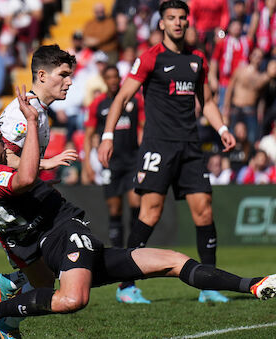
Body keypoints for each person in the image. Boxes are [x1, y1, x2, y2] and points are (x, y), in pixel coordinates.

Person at [0, 96, 276, 339]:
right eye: (0, 140)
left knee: (170, 260)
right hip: (53, 239)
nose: (6, 142)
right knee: (71, 299)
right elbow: (23, 177)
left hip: (53, 240)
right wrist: (34, 123)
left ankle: (254, 285)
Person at [98, 0, 236, 304]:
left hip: (190, 146)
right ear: (162, 23)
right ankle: (126, 287)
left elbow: (208, 101)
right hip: (158, 146)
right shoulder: (150, 58)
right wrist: (107, 136)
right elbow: (122, 97)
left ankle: (208, 285)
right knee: (150, 213)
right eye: (171, 18)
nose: (177, 22)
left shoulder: (198, 59)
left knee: (204, 210)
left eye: (182, 18)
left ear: (188, 23)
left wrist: (223, 129)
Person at [0, 44, 79, 338]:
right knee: (50, 279)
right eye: (63, 75)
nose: (69, 81)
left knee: (54, 270)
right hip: (8, 207)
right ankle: (6, 318)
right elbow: (3, 157)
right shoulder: (21, 112)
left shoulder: (39, 110)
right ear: (41, 75)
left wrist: (37, 180)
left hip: (24, 200)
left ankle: (9, 285)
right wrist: (46, 163)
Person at [83, 65, 143, 250]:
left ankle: (134, 249)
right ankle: (118, 251)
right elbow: (89, 134)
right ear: (104, 80)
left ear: (120, 78)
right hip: (110, 163)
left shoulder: (134, 100)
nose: (113, 81)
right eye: (109, 77)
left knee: (136, 203)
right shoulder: (98, 104)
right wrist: (87, 164)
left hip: (132, 160)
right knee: (115, 209)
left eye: (115, 77)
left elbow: (143, 126)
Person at [223, 48, 276, 142]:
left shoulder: (262, 77)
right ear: (251, 56)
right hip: (236, 108)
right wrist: (226, 108)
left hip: (250, 110)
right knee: (231, 136)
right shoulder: (240, 71)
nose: (257, 58)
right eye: (256, 55)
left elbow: (262, 98)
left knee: (252, 138)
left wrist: (260, 113)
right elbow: (229, 89)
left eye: (260, 57)